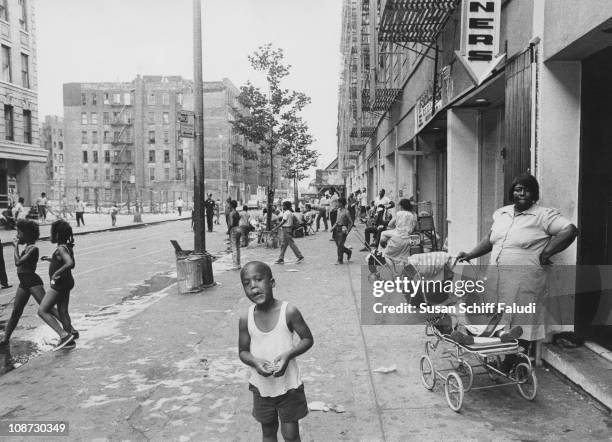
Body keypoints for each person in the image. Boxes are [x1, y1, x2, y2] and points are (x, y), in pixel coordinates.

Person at [457, 174, 578, 360]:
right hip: (496, 277)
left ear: (534, 194)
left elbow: (570, 230)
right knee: (496, 316)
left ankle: (516, 361)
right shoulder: (501, 213)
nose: (521, 193)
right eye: (517, 189)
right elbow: (490, 239)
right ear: (511, 192)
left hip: (524, 280)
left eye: (526, 189)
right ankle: (498, 354)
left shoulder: (543, 215)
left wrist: (546, 254)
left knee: (521, 319)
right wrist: (471, 254)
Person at [238, 261, 313, 442]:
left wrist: (288, 355)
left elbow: (307, 339)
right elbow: (243, 352)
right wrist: (256, 362)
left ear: (272, 282)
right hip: (262, 388)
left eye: (258, 279)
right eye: (247, 283)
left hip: (289, 387)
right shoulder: (245, 318)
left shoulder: (289, 311)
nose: (253, 287)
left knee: (291, 434)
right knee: (268, 432)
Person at [0, 220, 75, 346]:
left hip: (33, 282)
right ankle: (5, 338)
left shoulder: (33, 248)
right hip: (24, 283)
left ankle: (68, 331)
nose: (17, 235)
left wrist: (15, 247)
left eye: (19, 232)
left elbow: (18, 262)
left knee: (47, 309)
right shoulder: (29, 247)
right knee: (16, 312)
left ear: (27, 234)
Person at [38, 220, 78, 350]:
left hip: (59, 285)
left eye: (51, 233)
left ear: (57, 234)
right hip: (67, 283)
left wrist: (56, 273)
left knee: (42, 311)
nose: (50, 236)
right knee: (63, 311)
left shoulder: (61, 248)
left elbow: (70, 263)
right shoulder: (67, 247)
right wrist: (51, 259)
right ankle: (69, 337)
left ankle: (64, 335)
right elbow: (68, 262)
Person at [331, 197, 353, 265]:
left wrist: (348, 231)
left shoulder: (346, 212)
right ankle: (348, 252)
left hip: (343, 229)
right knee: (338, 245)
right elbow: (337, 221)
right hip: (337, 229)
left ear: (341, 203)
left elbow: (351, 222)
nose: (337, 204)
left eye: (338, 202)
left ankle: (340, 260)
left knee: (340, 245)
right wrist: (333, 227)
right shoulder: (339, 211)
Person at [227, 200, 241, 270]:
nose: (228, 206)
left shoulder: (231, 213)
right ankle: (238, 264)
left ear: (231, 205)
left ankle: (235, 264)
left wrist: (228, 230)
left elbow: (231, 224)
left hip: (233, 230)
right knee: (238, 247)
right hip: (238, 229)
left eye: (229, 205)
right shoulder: (237, 213)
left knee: (234, 247)